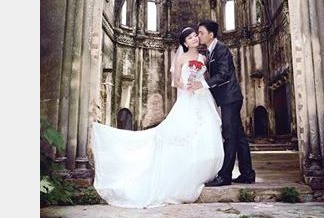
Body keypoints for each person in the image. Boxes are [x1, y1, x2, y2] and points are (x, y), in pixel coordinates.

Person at [91, 27, 224, 208]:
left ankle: (204, 168)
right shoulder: (180, 58)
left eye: (195, 36)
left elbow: (209, 78)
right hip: (188, 97)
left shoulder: (204, 58)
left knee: (206, 128)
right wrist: (186, 85)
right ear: (185, 43)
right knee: (181, 133)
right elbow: (176, 81)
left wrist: (198, 83)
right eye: (190, 37)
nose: (194, 39)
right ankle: (185, 170)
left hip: (202, 97)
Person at [187, 19, 255, 186]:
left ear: (210, 35)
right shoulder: (211, 51)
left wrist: (202, 84)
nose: (198, 35)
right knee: (239, 136)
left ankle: (225, 176)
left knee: (229, 136)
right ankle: (247, 174)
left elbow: (224, 74)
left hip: (230, 98)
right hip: (227, 98)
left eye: (201, 33)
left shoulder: (221, 49)